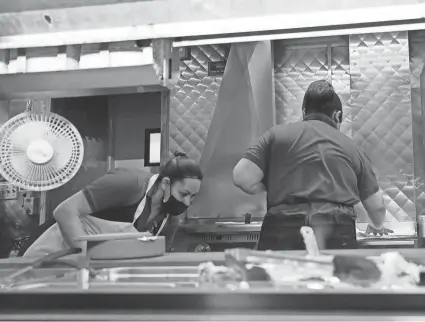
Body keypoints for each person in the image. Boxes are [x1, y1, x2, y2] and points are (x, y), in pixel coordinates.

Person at [232, 80, 392, 251]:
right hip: (336, 230)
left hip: (281, 229)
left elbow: (241, 177)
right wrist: (376, 226)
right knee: (334, 278)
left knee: (277, 276)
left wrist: (272, 185)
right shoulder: (352, 147)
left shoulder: (276, 135)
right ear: (337, 116)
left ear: (303, 112)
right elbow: (376, 205)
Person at [24, 150, 202, 257]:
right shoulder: (128, 183)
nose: (186, 202)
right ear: (165, 184)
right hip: (51, 258)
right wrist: (84, 260)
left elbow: (157, 256)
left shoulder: (169, 221)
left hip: (93, 275)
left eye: (192, 197)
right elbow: (65, 211)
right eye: (184, 194)